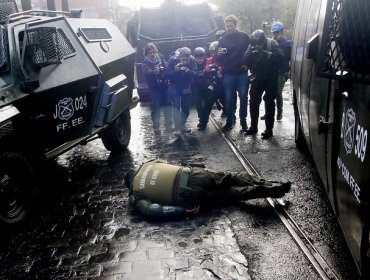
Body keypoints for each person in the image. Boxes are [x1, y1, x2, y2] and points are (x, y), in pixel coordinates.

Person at [125, 159, 291, 220]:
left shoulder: (135, 194)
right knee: (232, 177)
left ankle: (266, 191)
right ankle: (267, 183)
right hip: (195, 175)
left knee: (232, 194)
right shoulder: (148, 163)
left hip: (188, 196)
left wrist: (184, 211)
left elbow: (154, 211)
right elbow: (169, 164)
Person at [243, 30, 284, 139]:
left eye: (259, 44)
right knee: (253, 101)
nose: (257, 46)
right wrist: (250, 52)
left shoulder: (272, 43)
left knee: (269, 102)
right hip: (257, 77)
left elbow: (280, 57)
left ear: (263, 41)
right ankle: (253, 127)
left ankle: (269, 129)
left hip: (271, 77)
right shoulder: (251, 45)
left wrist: (266, 52)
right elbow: (244, 60)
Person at [217, 15, 250, 132]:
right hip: (229, 72)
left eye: (231, 26)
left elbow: (251, 51)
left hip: (242, 72)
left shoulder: (244, 37)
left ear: (235, 25)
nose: (229, 28)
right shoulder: (222, 39)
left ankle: (244, 122)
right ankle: (230, 122)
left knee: (243, 98)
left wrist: (248, 64)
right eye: (227, 26)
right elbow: (218, 57)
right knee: (229, 98)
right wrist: (220, 54)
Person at [142, 43, 172, 132]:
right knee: (157, 105)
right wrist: (153, 72)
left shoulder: (160, 57)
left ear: (156, 51)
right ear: (147, 54)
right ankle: (156, 124)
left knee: (168, 103)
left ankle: (168, 123)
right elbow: (147, 71)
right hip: (154, 87)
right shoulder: (145, 62)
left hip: (164, 85)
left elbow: (166, 68)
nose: (152, 54)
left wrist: (163, 73)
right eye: (150, 52)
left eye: (153, 52)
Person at [167, 47, 197, 133]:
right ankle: (177, 128)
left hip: (186, 86)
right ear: (179, 57)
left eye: (186, 60)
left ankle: (182, 125)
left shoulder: (192, 60)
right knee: (176, 106)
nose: (184, 61)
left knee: (186, 108)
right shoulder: (172, 60)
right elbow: (167, 74)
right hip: (174, 86)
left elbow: (195, 74)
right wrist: (174, 71)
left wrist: (189, 71)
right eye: (183, 59)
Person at [192, 47, 213, 131]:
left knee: (209, 102)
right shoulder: (192, 63)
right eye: (198, 58)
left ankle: (203, 121)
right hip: (196, 86)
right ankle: (202, 120)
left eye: (201, 58)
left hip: (207, 86)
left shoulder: (208, 62)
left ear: (204, 57)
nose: (199, 60)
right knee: (198, 104)